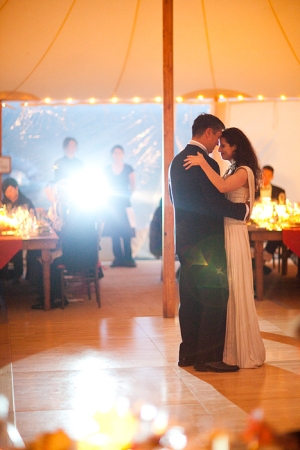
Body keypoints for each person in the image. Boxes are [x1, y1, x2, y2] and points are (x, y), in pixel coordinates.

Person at [169, 113, 248, 373]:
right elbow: (214, 203)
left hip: (186, 240)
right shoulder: (206, 163)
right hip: (207, 242)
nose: (217, 144)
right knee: (214, 297)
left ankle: (187, 353)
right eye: (217, 137)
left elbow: (175, 200)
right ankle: (207, 358)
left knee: (190, 298)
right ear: (208, 133)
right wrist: (242, 212)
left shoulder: (176, 161)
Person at [184, 127, 266, 369]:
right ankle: (228, 348)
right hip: (228, 230)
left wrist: (203, 162)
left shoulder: (243, 171)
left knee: (235, 285)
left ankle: (240, 350)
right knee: (228, 286)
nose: (219, 149)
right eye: (218, 144)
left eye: (223, 145)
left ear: (235, 147)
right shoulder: (235, 169)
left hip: (234, 231)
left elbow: (220, 187)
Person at [103, 145, 136, 268]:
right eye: (115, 153)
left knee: (127, 231)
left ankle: (128, 257)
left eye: (119, 153)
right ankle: (118, 258)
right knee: (114, 231)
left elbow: (133, 186)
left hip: (125, 203)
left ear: (123, 154)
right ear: (112, 155)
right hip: (111, 204)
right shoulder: (106, 169)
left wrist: (126, 197)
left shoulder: (128, 168)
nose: (117, 155)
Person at [1, 177, 35, 283]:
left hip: (23, 234)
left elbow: (32, 218)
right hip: (7, 234)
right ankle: (4, 277)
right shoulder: (4, 203)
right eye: (5, 191)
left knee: (17, 249)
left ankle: (20, 276)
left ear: (16, 188)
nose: (8, 193)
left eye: (10, 190)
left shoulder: (25, 202)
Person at [255, 165, 286, 262]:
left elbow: (283, 208)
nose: (265, 177)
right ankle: (257, 260)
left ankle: (265, 256)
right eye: (263, 174)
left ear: (272, 176)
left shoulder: (280, 191)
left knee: (280, 234)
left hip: (273, 222)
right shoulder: (253, 189)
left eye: (268, 175)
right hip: (256, 222)